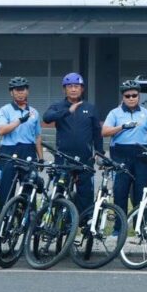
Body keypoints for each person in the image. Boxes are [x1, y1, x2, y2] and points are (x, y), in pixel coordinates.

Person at [43, 72, 101, 215]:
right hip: (63, 157)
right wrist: (67, 111)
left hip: (85, 158)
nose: (73, 89)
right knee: (60, 192)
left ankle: (83, 223)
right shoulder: (58, 106)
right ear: (64, 89)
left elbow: (97, 131)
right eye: (70, 86)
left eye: (77, 86)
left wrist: (99, 152)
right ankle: (59, 223)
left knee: (85, 194)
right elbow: (47, 118)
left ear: (82, 89)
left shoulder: (90, 108)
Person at [102, 79, 147, 215]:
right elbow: (104, 132)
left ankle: (140, 225)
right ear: (123, 97)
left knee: (141, 191)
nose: (131, 98)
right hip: (121, 153)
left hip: (141, 154)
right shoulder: (115, 113)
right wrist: (122, 127)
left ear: (139, 96)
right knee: (120, 190)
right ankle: (119, 228)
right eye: (128, 96)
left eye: (134, 95)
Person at [0, 76, 42, 209]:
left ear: (27, 91)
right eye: (17, 90)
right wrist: (19, 121)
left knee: (29, 191)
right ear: (11, 92)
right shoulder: (4, 110)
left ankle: (28, 224)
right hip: (9, 151)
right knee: (6, 191)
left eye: (23, 90)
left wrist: (41, 158)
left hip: (28, 151)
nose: (20, 92)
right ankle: (4, 224)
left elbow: (38, 136)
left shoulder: (34, 112)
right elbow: (1, 130)